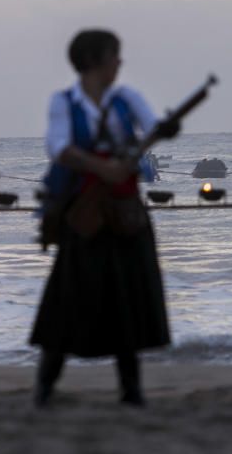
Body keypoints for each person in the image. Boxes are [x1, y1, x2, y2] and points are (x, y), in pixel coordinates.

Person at [31, 29, 178, 407]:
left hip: (124, 214)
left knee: (127, 301)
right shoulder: (64, 102)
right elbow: (60, 148)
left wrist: (165, 130)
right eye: (115, 55)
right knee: (67, 303)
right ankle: (45, 387)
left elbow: (152, 127)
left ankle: (133, 391)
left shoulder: (126, 98)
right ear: (96, 60)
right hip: (84, 216)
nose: (119, 63)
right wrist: (102, 167)